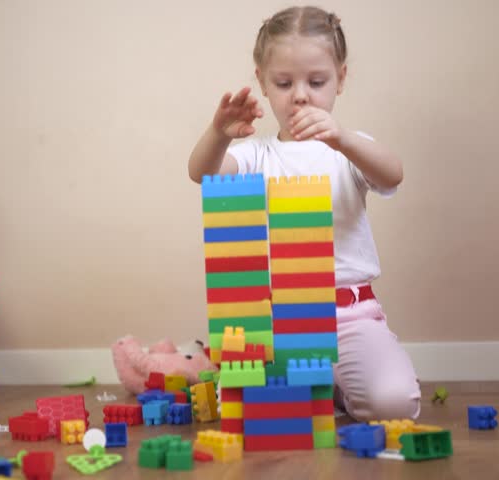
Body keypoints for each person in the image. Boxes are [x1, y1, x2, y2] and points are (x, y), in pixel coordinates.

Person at [188, 6, 419, 420]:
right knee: (247, 413)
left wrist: (343, 139)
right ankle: (319, 389)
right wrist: (218, 134)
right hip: (279, 324)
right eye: (283, 82)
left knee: (395, 404)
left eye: (316, 81)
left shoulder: (349, 150)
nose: (300, 94)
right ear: (261, 82)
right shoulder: (257, 154)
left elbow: (393, 173)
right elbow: (203, 176)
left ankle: (337, 389)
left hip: (350, 315)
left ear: (340, 79)